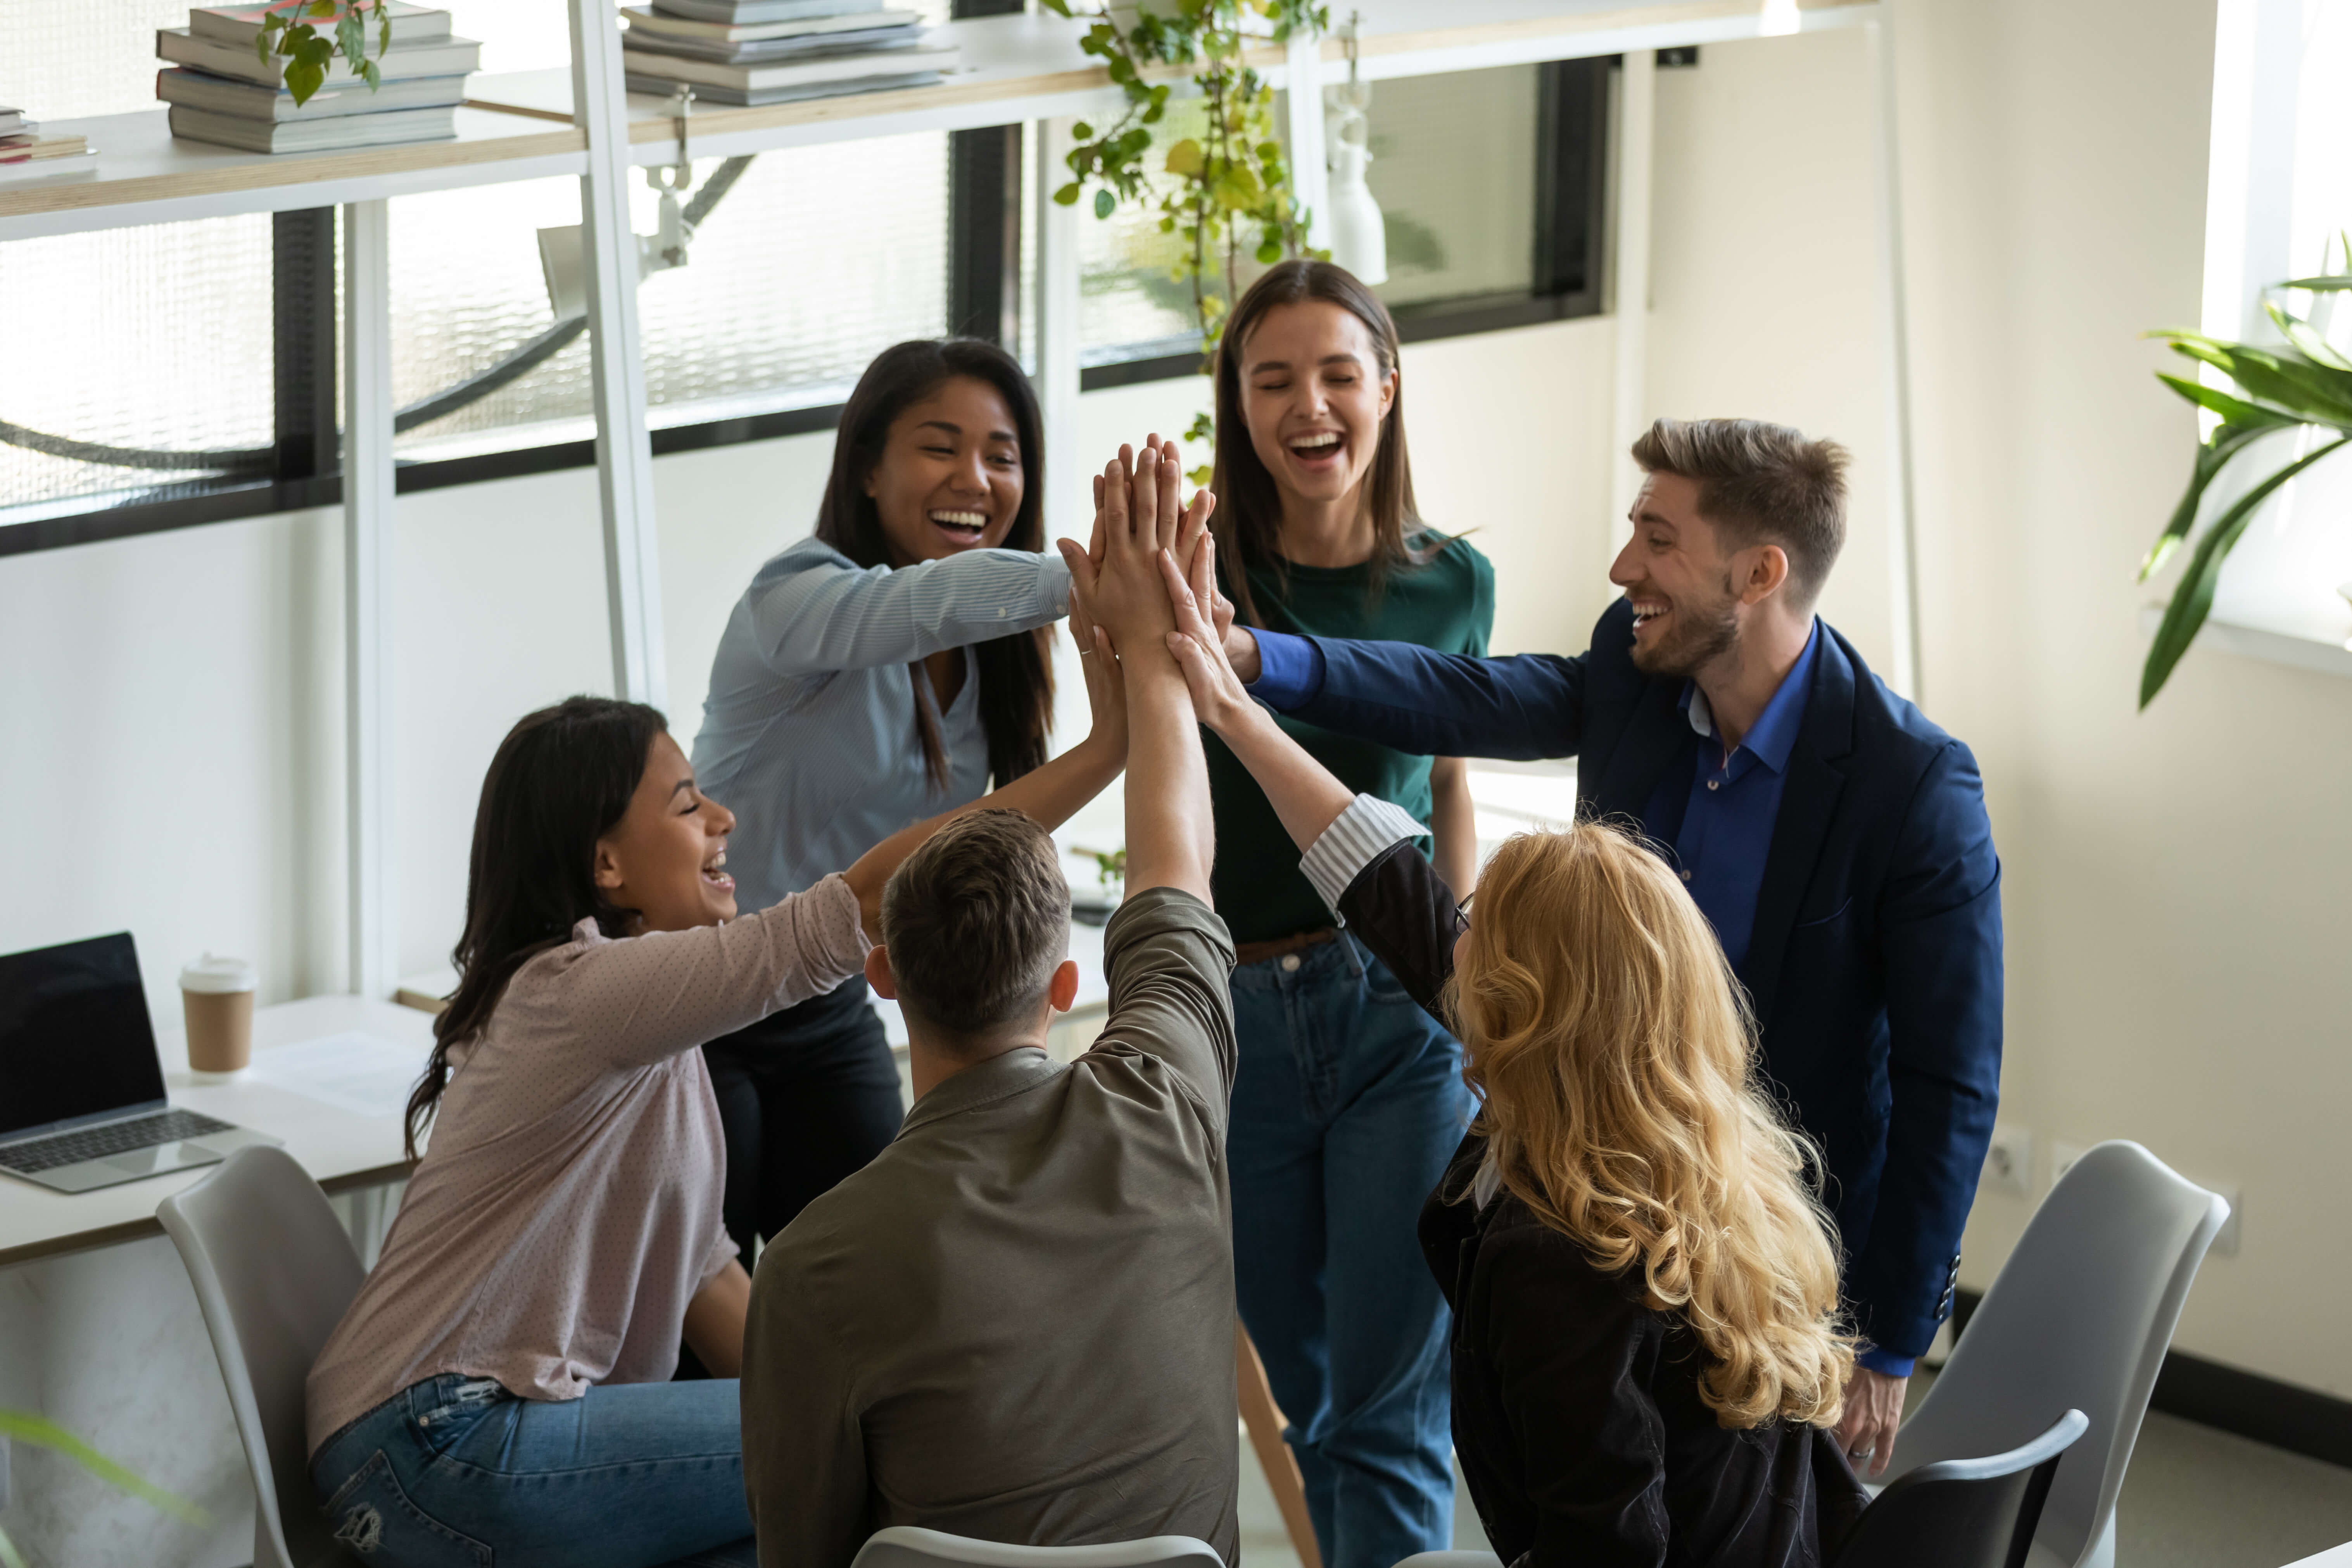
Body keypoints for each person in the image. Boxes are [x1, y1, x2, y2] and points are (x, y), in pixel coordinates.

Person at [1217, 416, 2003, 1475]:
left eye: (1656, 536)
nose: (1622, 564)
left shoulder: (1913, 786)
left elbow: (1948, 1081)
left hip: (1781, 1253)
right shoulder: (1634, 665)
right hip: (1607, 1215)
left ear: (1760, 571)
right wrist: (1259, 659)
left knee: (1747, 1522)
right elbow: (1474, 694)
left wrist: (1898, 1338)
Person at [304, 639, 1127, 1568]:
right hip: (437, 1443)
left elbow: (709, 1285)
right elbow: (866, 897)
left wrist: (878, 1379)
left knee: (819, 1515)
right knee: (886, 1438)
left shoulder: (643, 1035)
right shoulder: (581, 990)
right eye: (691, 805)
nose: (726, 819)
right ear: (606, 864)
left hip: (435, 1451)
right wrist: (1107, 752)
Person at [1154, 538, 1872, 1565]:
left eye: (1480, 921)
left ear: (1523, 1007)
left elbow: (1602, 1548)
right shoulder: (1701, 1162)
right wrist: (1232, 709)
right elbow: (1386, 885)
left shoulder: (1558, 1257)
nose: (1458, 928)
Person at [741, 443, 1237, 1568]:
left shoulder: (816, 1260)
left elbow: (801, 1550)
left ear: (882, 978)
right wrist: (1159, 654)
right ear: (1067, 988)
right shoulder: (1164, 1106)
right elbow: (1178, 867)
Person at [1188, 259, 1491, 1568]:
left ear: (1385, 386)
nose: (1308, 406)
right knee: (1310, 1403)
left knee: (1388, 1408)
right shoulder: (1200, 578)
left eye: (1334, 372)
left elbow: (1450, 786)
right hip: (1240, 1022)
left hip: (1394, 1010)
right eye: (1272, 380)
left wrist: (1464, 976)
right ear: (1239, 408)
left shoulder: (1453, 584)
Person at [687, 338, 1072, 1277]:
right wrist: (1101, 582)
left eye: (1002, 455)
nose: (974, 479)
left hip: (828, 999)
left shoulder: (998, 661)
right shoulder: (794, 599)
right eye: (939, 446)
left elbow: (981, 840)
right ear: (867, 467)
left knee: (888, 1278)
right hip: (702, 1006)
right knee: (700, 1302)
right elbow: (919, 607)